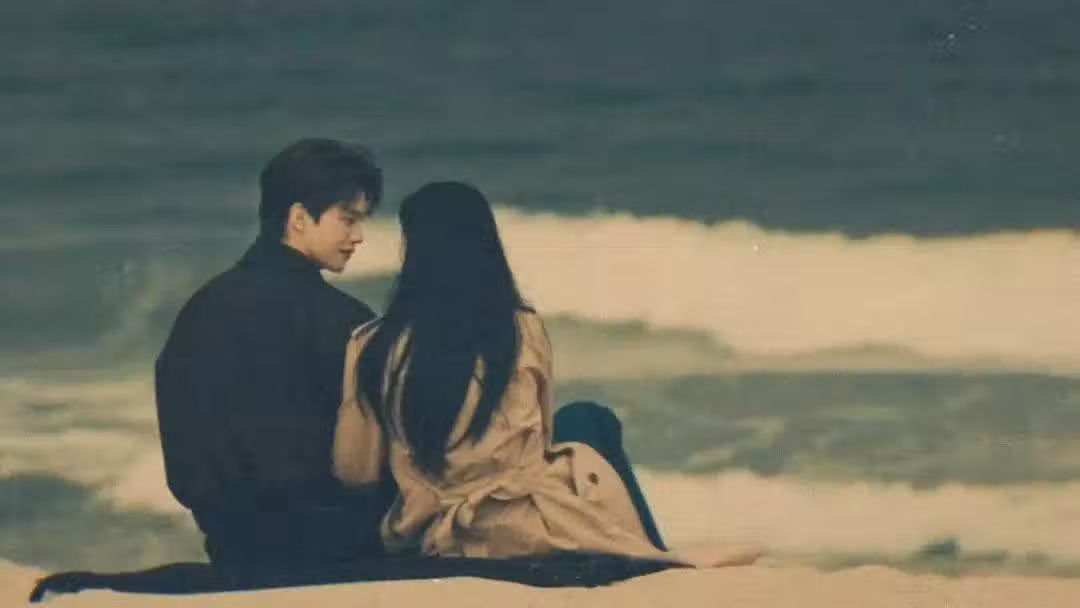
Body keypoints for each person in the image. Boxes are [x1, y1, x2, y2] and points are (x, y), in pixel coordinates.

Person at [332, 181, 754, 566]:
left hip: (434, 535)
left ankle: (655, 556)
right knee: (591, 421)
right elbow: (539, 436)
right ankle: (655, 554)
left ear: (412, 251)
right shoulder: (520, 328)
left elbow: (357, 472)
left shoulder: (371, 344)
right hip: (526, 524)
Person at [155, 139, 396, 573]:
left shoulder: (201, 310)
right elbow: (376, 457)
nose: (358, 236)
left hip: (231, 549)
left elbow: (187, 455)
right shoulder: (347, 323)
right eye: (348, 219)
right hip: (338, 554)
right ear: (299, 218)